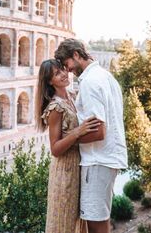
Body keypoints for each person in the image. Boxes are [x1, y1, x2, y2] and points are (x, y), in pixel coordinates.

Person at [55, 38, 128, 233]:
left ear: (77, 55)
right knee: (98, 220)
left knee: (96, 224)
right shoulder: (105, 76)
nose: (68, 70)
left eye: (67, 64)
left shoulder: (89, 82)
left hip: (98, 160)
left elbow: (98, 131)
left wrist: (69, 140)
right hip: (106, 158)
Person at [35, 58, 100, 233]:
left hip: (78, 166)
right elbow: (55, 149)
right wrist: (78, 132)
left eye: (63, 69)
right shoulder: (55, 107)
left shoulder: (71, 97)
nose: (64, 74)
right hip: (64, 171)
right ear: (50, 81)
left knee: (76, 220)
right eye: (57, 73)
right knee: (64, 220)